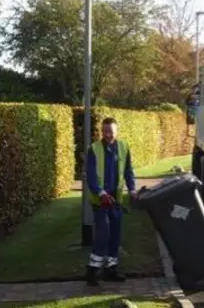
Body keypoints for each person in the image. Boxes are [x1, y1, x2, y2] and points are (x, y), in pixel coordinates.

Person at [85, 117, 137, 287]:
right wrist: (101, 193)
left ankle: (111, 269)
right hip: (101, 202)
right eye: (104, 131)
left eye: (110, 131)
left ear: (117, 131)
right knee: (103, 235)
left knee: (115, 236)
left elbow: (128, 171)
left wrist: (132, 189)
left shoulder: (123, 147)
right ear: (101, 131)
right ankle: (92, 271)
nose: (107, 134)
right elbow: (91, 176)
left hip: (116, 200)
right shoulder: (94, 149)